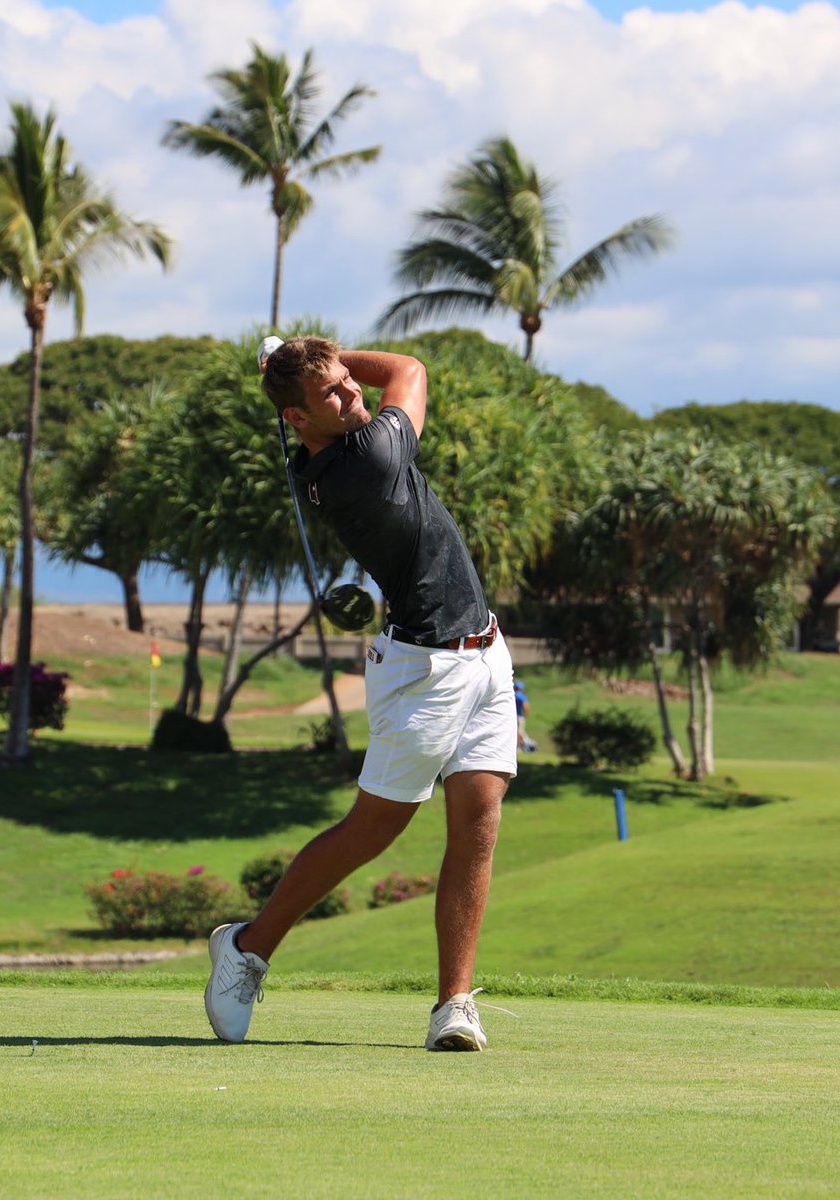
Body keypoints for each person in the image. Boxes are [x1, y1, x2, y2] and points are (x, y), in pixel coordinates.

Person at [203, 336, 517, 1052]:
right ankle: (248, 946)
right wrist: (335, 348)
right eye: (334, 394)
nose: (353, 396)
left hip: (483, 650)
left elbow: (366, 387)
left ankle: (455, 1004)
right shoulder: (369, 458)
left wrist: (313, 361)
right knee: (372, 831)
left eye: (349, 383)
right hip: (423, 669)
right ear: (295, 417)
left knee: (479, 816)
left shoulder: (324, 449)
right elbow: (409, 370)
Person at [514, 678, 537, 753]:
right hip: (519, 716)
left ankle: (527, 746)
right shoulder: (522, 696)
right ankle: (527, 746)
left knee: (519, 732)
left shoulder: (514, 695)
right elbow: (526, 706)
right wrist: (526, 715)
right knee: (520, 732)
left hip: (515, 716)